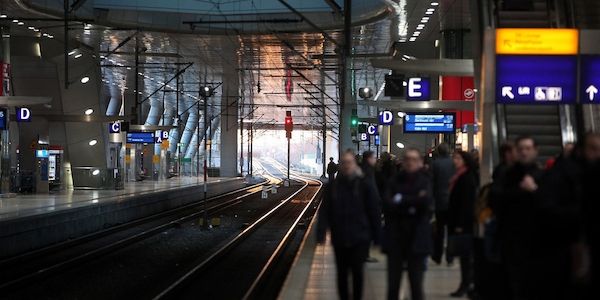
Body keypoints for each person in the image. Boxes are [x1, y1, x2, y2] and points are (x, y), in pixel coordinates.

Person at [534, 135, 600, 299]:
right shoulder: (562, 174)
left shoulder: (590, 173)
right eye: (593, 148)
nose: (598, 153)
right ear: (581, 150)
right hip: (565, 247)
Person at [317, 150, 381, 300]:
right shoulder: (332, 187)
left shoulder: (364, 184)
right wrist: (321, 232)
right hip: (339, 236)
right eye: (344, 163)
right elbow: (325, 210)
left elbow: (374, 210)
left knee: (358, 272)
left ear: (354, 164)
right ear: (340, 165)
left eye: (349, 163)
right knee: (342, 273)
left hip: (360, 237)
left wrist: (378, 236)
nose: (346, 166)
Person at [496, 136, 543, 299]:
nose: (524, 152)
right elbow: (497, 200)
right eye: (520, 148)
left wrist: (534, 190)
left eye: (528, 148)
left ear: (535, 150)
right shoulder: (506, 174)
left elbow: (548, 204)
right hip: (511, 237)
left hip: (536, 237)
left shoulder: (542, 175)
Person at [383, 148, 433, 300]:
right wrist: (414, 201)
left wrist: (401, 200)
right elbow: (388, 205)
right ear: (403, 162)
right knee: (393, 286)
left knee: (416, 285)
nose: (410, 162)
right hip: (396, 239)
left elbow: (426, 204)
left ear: (420, 163)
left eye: (414, 159)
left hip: (417, 240)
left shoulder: (425, 181)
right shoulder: (393, 181)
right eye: (408, 159)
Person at [447, 150, 478, 297]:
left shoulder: (466, 178)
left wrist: (460, 224)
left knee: (466, 257)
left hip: (463, 223)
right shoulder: (459, 176)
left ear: (465, 160)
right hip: (457, 221)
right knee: (464, 257)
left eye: (458, 158)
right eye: (454, 158)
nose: (455, 161)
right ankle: (466, 283)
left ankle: (466, 284)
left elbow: (466, 204)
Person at [430, 143, 455, 265]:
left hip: (439, 201)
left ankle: (437, 256)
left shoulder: (435, 164)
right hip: (452, 201)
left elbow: (432, 183)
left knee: (439, 230)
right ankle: (450, 257)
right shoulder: (454, 163)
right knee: (451, 230)